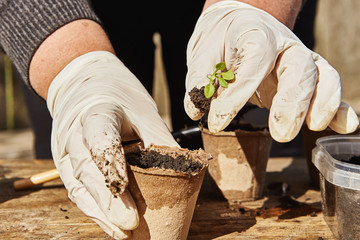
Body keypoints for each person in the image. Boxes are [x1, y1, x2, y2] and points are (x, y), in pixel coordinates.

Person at [0, 0, 358, 239]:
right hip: (78, 11)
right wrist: (74, 68)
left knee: (262, 104)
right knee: (91, 137)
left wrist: (253, 8)